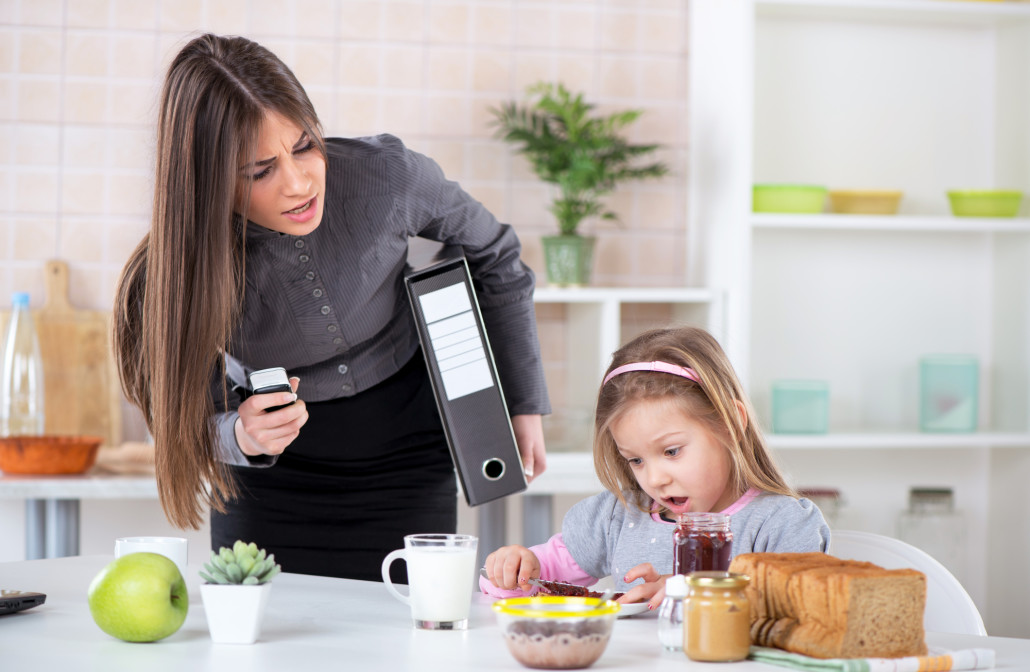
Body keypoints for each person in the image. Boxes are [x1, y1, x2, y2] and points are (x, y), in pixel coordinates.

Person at [112, 33, 550, 581]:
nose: (298, 184)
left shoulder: (389, 177)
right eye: (258, 171)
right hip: (273, 481)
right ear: (206, 180)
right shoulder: (167, 275)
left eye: (302, 146)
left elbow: (497, 254)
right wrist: (241, 436)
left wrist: (520, 401)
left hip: (411, 454)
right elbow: (179, 421)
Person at [481, 326, 828, 607]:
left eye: (672, 451)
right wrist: (515, 569)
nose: (655, 479)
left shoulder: (781, 523)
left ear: (730, 424)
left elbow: (803, 607)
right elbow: (536, 585)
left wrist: (697, 591)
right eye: (636, 460)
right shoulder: (617, 517)